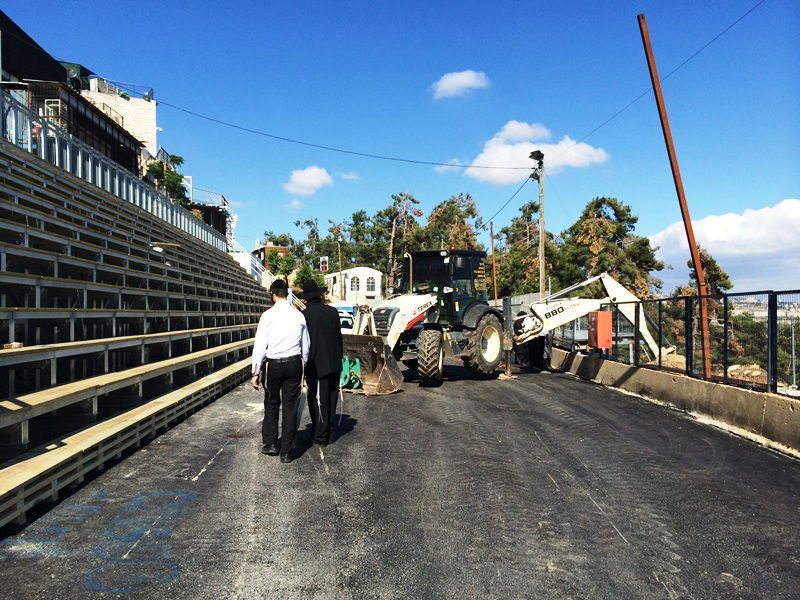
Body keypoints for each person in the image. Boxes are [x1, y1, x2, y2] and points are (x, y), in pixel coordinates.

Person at [251, 279, 310, 463]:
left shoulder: (267, 316)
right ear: (287, 293)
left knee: (271, 402)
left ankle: (270, 443)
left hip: (273, 364)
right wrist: (303, 365)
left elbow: (260, 345)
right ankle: (286, 450)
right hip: (294, 362)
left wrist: (256, 371)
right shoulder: (299, 315)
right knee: (290, 406)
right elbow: (306, 346)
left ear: (272, 294)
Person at [298, 279, 343, 447]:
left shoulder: (304, 315)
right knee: (331, 398)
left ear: (306, 299)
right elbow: (339, 338)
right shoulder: (333, 312)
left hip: (316, 364)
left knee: (317, 399)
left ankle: (319, 435)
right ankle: (330, 433)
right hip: (334, 362)